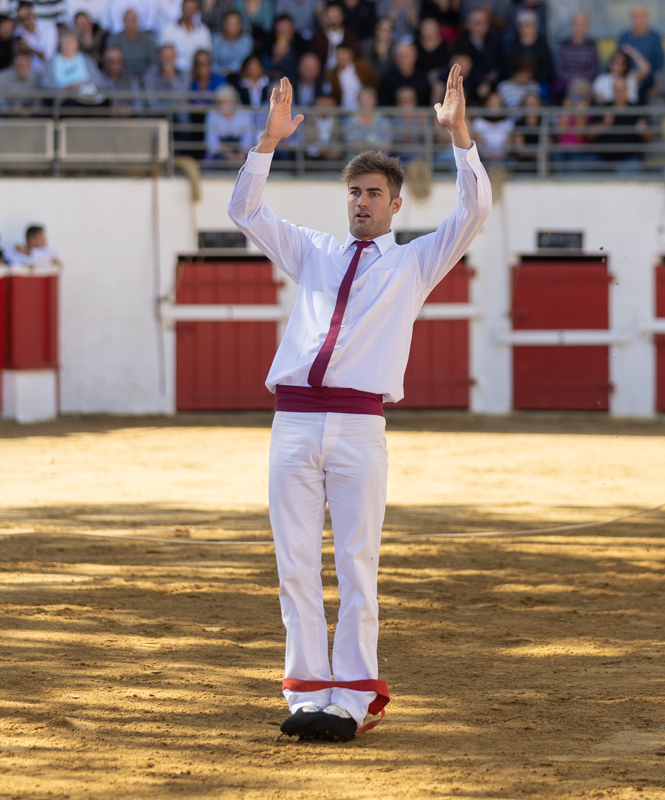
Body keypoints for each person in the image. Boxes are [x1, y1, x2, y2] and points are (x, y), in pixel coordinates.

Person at [226, 63, 490, 744]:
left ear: (396, 204)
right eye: (354, 192)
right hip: (292, 419)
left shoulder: (414, 263)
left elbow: (474, 212)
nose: (362, 203)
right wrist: (268, 142)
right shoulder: (313, 250)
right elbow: (244, 211)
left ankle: (351, 698)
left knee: (355, 564)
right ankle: (308, 688)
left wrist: (460, 137)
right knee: (293, 562)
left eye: (374, 193)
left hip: (357, 423)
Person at [592, 75, 653, 169]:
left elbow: (650, 138)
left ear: (626, 90)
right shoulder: (603, 109)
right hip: (602, 159)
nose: (619, 92)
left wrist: (643, 131)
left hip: (629, 160)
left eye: (621, 89)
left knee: (633, 167)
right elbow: (587, 134)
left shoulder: (636, 110)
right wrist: (604, 124)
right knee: (585, 162)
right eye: (616, 90)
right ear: (612, 91)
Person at [617, 3, 663, 101]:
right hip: (627, 80)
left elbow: (659, 64)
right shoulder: (624, 38)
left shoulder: (654, 38)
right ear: (631, 18)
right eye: (635, 16)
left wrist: (657, 85)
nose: (638, 20)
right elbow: (618, 61)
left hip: (647, 81)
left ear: (647, 17)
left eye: (641, 16)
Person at [455, 7, 499, 104]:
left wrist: (492, 75)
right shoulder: (461, 42)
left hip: (490, 83)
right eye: (473, 23)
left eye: (479, 23)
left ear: (487, 25)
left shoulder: (495, 42)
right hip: (467, 80)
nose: (476, 26)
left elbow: (499, 65)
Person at [503, 9, 552, 92]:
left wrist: (532, 78)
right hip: (516, 82)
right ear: (518, 28)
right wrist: (518, 78)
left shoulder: (542, 45)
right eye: (523, 25)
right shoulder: (513, 45)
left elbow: (547, 68)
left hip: (538, 82)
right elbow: (508, 66)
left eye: (529, 25)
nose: (526, 29)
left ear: (535, 27)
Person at [204, 82, 255, 161]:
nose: (225, 105)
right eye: (222, 102)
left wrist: (241, 154)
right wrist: (227, 154)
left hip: (242, 151)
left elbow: (248, 138)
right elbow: (211, 140)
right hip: (221, 153)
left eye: (229, 101)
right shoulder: (212, 114)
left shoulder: (246, 114)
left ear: (235, 101)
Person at [43, 29, 102, 97]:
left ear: (77, 44)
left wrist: (82, 84)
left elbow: (98, 80)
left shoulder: (86, 59)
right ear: (60, 45)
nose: (68, 46)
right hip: (64, 98)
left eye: (71, 42)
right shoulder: (52, 62)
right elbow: (46, 83)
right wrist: (65, 87)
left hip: (85, 96)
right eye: (65, 43)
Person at [554, 11, 597, 99]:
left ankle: (581, 112)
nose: (579, 28)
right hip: (567, 81)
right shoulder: (564, 45)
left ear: (587, 26)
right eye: (576, 24)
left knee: (583, 90)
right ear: (572, 25)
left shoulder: (592, 45)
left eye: (582, 24)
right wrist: (571, 78)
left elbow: (594, 67)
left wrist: (581, 78)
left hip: (586, 81)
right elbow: (559, 67)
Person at [161, 0, 211, 73]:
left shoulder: (203, 31)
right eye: (187, 8)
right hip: (175, 72)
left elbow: (206, 55)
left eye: (192, 9)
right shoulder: (169, 29)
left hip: (196, 72)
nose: (189, 11)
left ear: (197, 11)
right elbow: (163, 54)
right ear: (182, 9)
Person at [105, 8, 156, 78]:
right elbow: (110, 61)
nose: (132, 23)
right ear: (123, 21)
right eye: (129, 20)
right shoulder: (115, 39)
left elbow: (153, 62)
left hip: (144, 77)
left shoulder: (147, 40)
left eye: (134, 20)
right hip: (120, 77)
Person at [325, 41, 377, 110]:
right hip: (343, 112)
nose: (342, 56)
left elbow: (375, 83)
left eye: (344, 53)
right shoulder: (331, 75)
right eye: (339, 53)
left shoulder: (363, 67)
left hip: (365, 109)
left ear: (351, 54)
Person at [343, 84, 390, 156]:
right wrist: (375, 147)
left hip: (379, 160)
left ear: (375, 100)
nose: (366, 102)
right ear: (358, 101)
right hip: (357, 161)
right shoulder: (351, 121)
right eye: (363, 99)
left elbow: (387, 146)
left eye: (369, 99)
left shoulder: (384, 121)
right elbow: (353, 145)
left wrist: (364, 146)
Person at [310, 2, 358, 72]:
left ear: (342, 16)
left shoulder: (351, 36)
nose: (333, 18)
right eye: (330, 16)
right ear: (325, 17)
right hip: (325, 74)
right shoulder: (318, 38)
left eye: (336, 15)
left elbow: (356, 57)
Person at [378, 41, 428, 107]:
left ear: (415, 56)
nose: (404, 60)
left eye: (407, 56)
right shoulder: (387, 79)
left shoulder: (422, 79)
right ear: (395, 58)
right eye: (401, 56)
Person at [15, 2, 59, 73]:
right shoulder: (18, 32)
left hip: (48, 70)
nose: (25, 21)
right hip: (29, 73)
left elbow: (48, 56)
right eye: (21, 19)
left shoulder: (49, 28)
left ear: (33, 14)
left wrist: (29, 48)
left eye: (27, 16)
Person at [414, 17, 449, 103]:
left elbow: (448, 64)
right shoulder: (415, 45)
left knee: (439, 86)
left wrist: (438, 73)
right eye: (426, 28)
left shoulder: (446, 46)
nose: (428, 31)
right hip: (418, 75)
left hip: (439, 77)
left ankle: (435, 113)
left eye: (431, 28)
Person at [302, 90, 344, 162]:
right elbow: (306, 143)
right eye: (321, 102)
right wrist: (319, 150)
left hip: (332, 157)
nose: (324, 105)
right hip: (313, 157)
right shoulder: (309, 122)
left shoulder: (338, 122)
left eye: (327, 102)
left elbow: (340, 142)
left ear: (333, 104)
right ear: (316, 103)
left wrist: (332, 151)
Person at [212, 9, 252, 75]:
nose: (233, 26)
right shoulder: (216, 39)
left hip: (239, 75)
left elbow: (244, 61)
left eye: (236, 23)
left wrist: (230, 69)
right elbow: (212, 61)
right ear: (224, 24)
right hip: (218, 75)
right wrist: (221, 71)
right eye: (230, 23)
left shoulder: (247, 40)